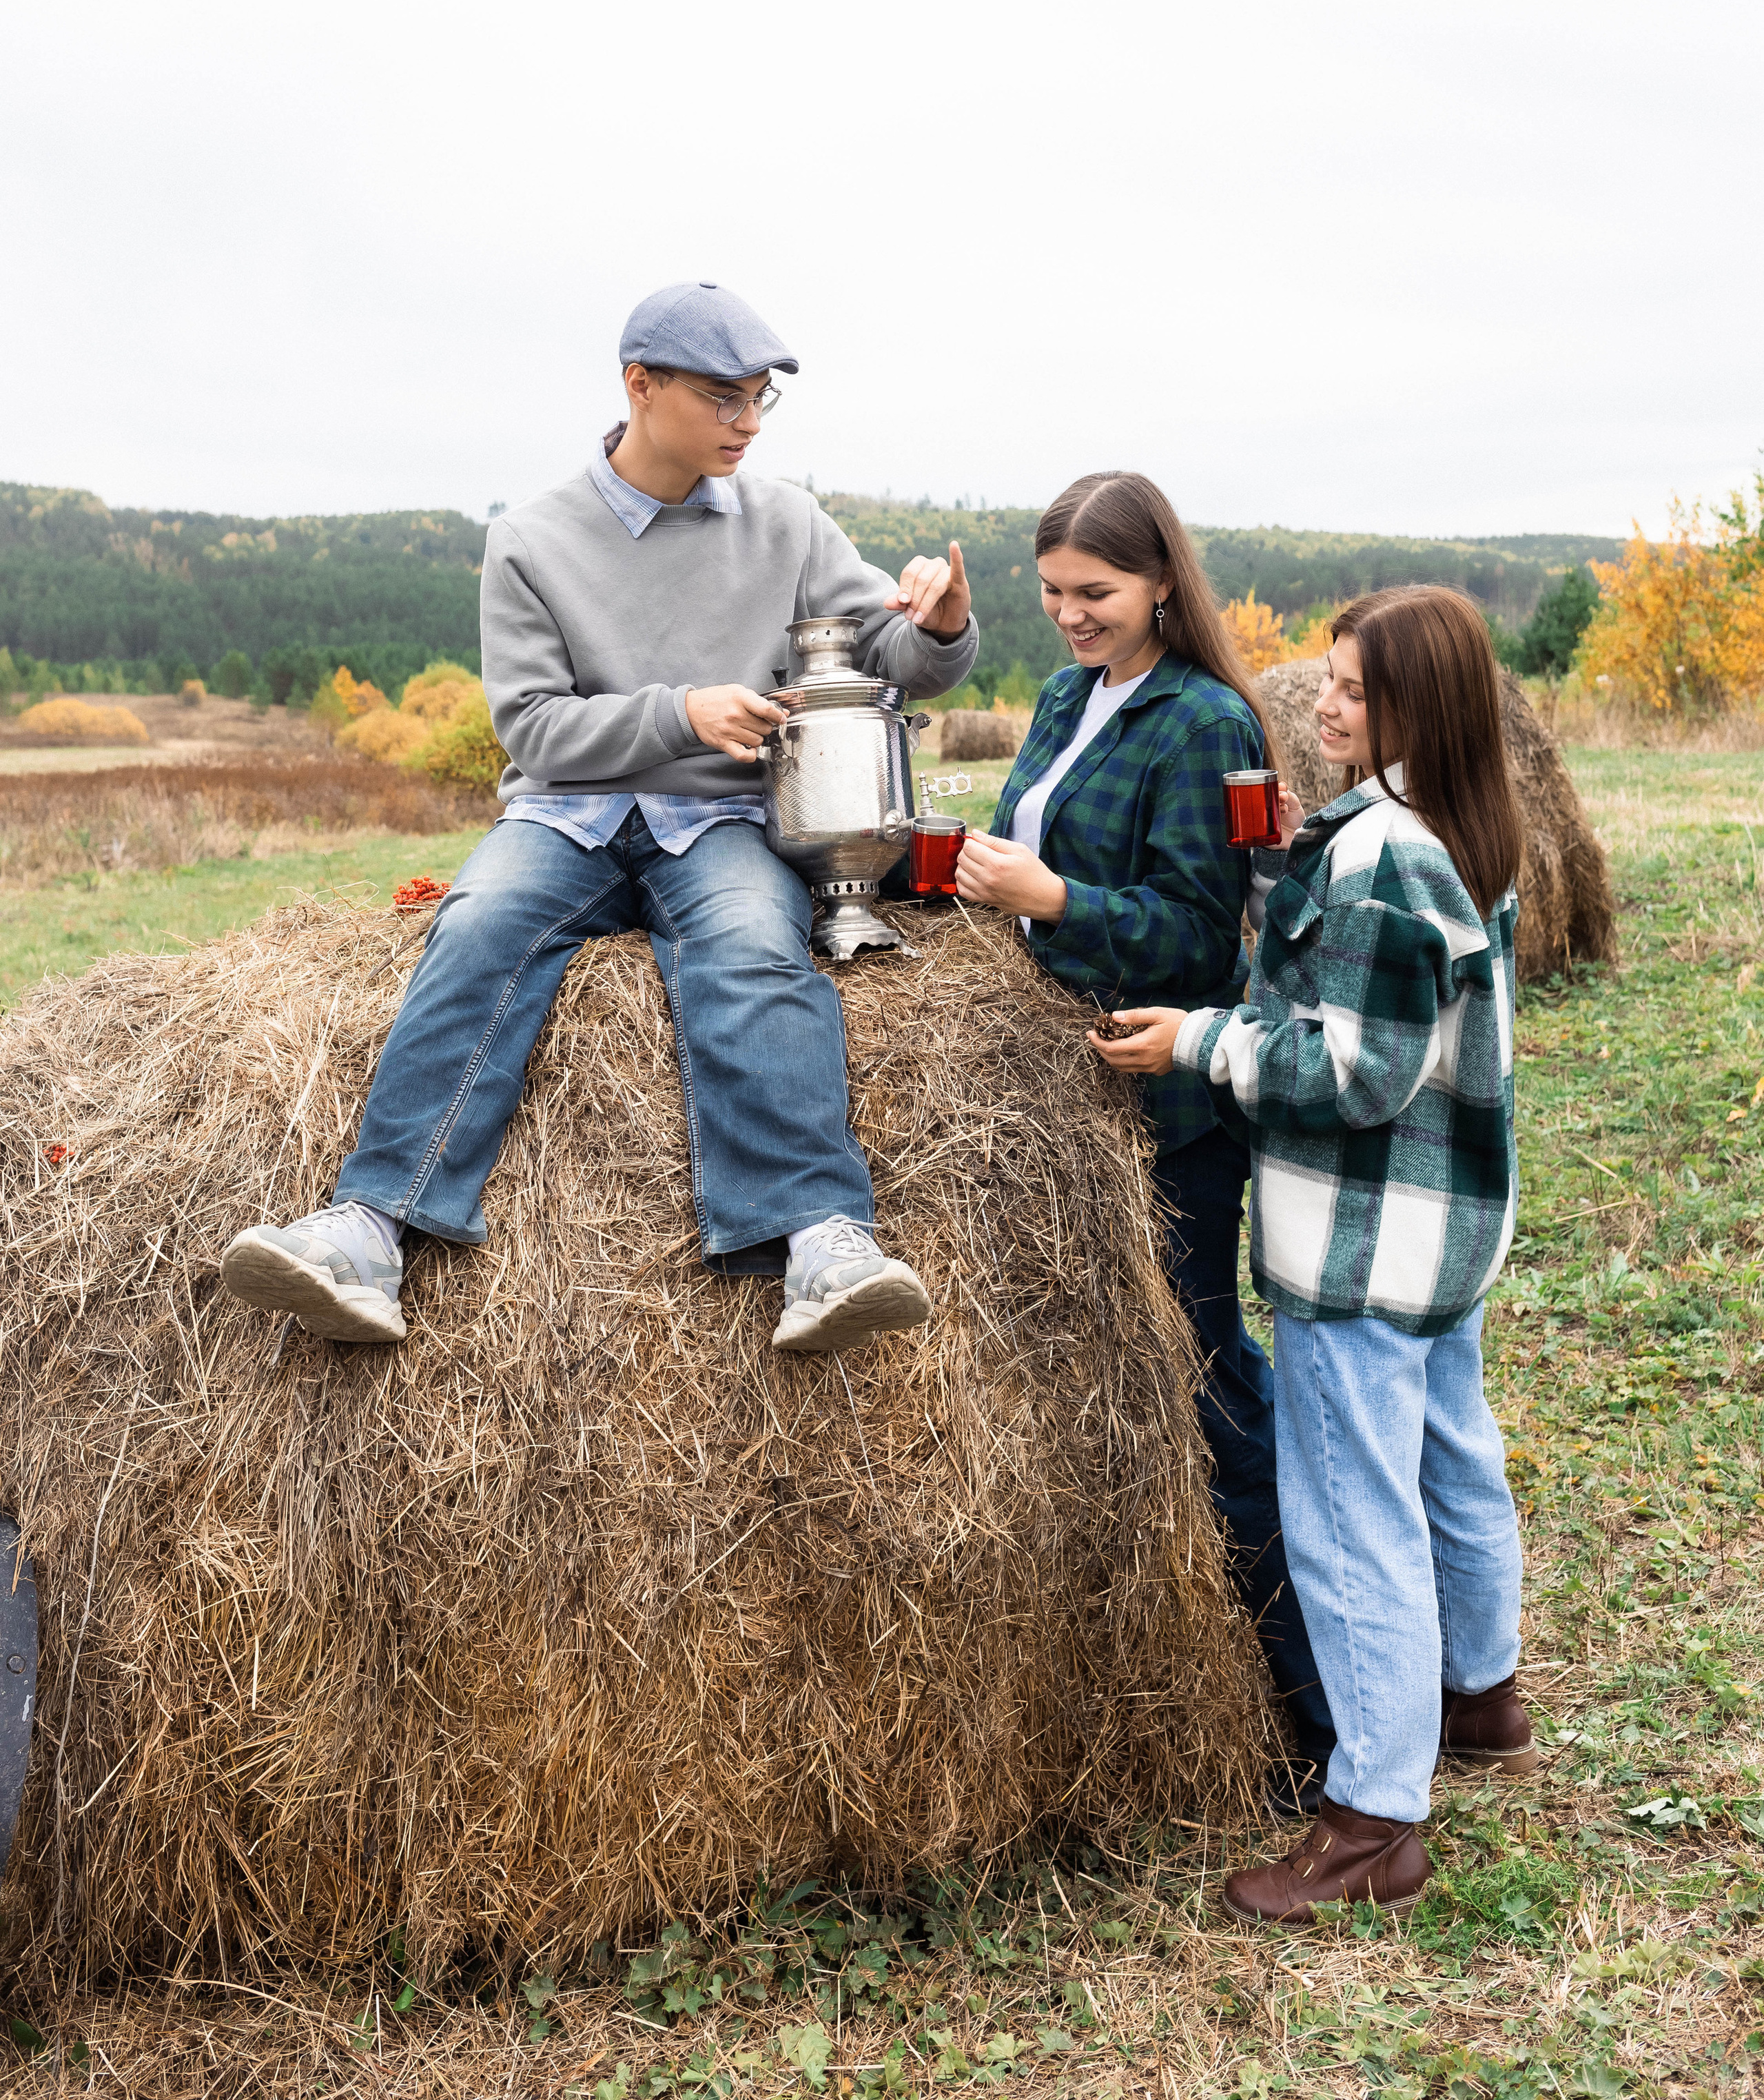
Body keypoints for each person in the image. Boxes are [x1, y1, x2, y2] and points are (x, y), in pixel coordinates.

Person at [220, 282, 978, 1354]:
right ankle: (368, 1232)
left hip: (719, 822)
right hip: (565, 818)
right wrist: (680, 711)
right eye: (724, 397)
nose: (748, 423)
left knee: (759, 949)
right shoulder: (531, 538)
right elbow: (534, 732)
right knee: (478, 929)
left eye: (761, 399)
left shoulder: (791, 522)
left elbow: (884, 658)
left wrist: (942, 626)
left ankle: (824, 1245)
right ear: (640, 386)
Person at [1097, 586, 1535, 1924]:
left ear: (1417, 704)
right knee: (1451, 1453)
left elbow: (1349, 1068)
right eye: (1330, 682)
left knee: (1349, 1516)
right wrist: (1300, 864)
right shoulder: (1449, 829)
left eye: (1350, 689)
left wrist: (1198, 1042)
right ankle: (1478, 1694)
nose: (1322, 705)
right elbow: (1373, 985)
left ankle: (1370, 1820)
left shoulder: (1386, 853)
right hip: (1439, 1229)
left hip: (1358, 1239)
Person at [952, 469, 1339, 1815]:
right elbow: (1022, 846)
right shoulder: (1068, 699)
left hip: (1170, 1113)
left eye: (1094, 596)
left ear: (1160, 581)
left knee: (1209, 1391)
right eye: (1051, 594)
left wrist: (1051, 895)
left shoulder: (1209, 724)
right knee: (1137, 1391)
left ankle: (1323, 1719)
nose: (1067, 619)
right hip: (1077, 1111)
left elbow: (1199, 934)